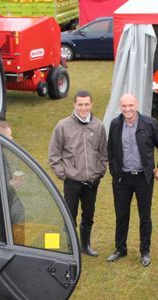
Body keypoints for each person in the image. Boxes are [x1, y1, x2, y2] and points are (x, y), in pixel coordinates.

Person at [106, 93, 158, 267]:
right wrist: (114, 171)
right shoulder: (115, 124)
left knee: (145, 216)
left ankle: (145, 251)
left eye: (130, 105)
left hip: (143, 178)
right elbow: (110, 149)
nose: (127, 109)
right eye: (124, 106)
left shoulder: (149, 124)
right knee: (121, 215)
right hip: (122, 179)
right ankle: (120, 249)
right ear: (120, 107)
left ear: (137, 105)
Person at [49, 90, 108, 256]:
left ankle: (85, 245)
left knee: (88, 214)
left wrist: (100, 171)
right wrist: (64, 175)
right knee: (69, 215)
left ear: (91, 104)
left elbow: (104, 153)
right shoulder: (62, 126)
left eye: (86, 104)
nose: (83, 108)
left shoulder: (99, 126)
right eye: (80, 104)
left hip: (91, 182)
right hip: (72, 182)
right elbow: (54, 155)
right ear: (74, 104)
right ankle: (70, 247)